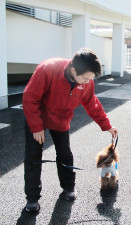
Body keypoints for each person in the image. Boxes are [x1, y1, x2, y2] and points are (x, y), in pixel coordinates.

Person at [22, 48, 117, 212]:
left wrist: (107, 126)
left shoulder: (87, 82)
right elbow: (30, 97)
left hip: (61, 119)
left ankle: (68, 187)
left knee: (65, 154)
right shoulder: (48, 69)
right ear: (73, 70)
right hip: (38, 116)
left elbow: (92, 104)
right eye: (85, 78)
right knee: (33, 156)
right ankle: (32, 198)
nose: (88, 82)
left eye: (91, 78)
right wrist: (36, 127)